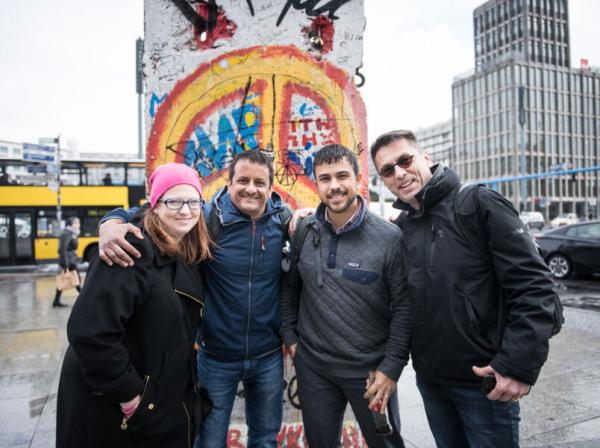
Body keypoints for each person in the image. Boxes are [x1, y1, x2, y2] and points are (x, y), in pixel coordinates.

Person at [370, 130, 560, 447]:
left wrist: (517, 365)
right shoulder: (403, 228)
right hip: (432, 384)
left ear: (425, 157)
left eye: (405, 160)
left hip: (484, 384)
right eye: (388, 170)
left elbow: (536, 287)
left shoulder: (478, 204)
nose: (399, 173)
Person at [97, 151, 288, 447]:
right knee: (208, 441)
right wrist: (109, 222)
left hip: (268, 357)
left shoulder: (282, 222)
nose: (251, 188)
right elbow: (151, 211)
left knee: (265, 440)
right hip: (217, 358)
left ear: (270, 186)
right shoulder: (207, 216)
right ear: (230, 182)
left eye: (260, 182)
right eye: (243, 180)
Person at [56, 163, 212, 448]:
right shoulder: (129, 249)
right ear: (155, 204)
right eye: (173, 201)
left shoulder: (186, 249)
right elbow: (90, 333)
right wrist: (130, 397)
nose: (185, 210)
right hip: (115, 412)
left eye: (192, 201)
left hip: (161, 400)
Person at [280, 144, 410, 447]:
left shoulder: (390, 238)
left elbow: (405, 308)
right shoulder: (304, 230)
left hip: (370, 375)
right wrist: (291, 338)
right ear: (316, 183)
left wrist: (391, 368)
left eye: (342, 176)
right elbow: (290, 288)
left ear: (358, 178)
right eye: (324, 178)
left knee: (386, 444)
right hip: (314, 370)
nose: (334, 185)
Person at [52, 217, 81, 308]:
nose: (78, 224)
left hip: (71, 260)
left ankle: (56, 301)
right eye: (76, 223)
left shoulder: (72, 234)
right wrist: (65, 265)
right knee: (76, 280)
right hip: (68, 261)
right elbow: (63, 250)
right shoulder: (66, 234)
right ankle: (85, 300)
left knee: (69, 280)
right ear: (70, 224)